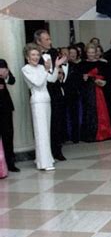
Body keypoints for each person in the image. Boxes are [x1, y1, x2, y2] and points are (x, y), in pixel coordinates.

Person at [21, 43, 65, 171]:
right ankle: (43, 162)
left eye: (37, 54)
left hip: (47, 100)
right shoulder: (26, 69)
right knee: (41, 132)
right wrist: (46, 70)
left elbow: (51, 79)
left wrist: (55, 67)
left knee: (46, 131)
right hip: (37, 101)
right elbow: (38, 83)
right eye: (33, 55)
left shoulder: (41, 67)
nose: (35, 57)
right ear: (27, 57)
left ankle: (46, 158)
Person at [78, 43, 111, 142]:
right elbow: (78, 80)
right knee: (89, 111)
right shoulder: (81, 64)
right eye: (89, 52)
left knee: (102, 111)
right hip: (88, 92)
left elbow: (109, 78)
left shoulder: (103, 64)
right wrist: (83, 78)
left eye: (93, 52)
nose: (91, 54)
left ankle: (104, 133)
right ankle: (91, 135)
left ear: (96, 53)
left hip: (101, 91)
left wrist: (104, 82)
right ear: (86, 53)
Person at [0, 59, 20, 171]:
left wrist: (6, 76)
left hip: (5, 107)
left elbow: (12, 80)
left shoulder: (2, 63)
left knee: (8, 135)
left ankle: (10, 163)